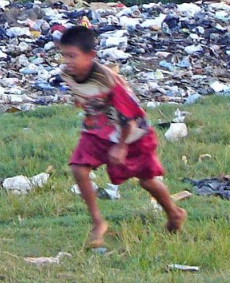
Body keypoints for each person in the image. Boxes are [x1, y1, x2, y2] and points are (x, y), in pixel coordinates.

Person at [58, 26, 186, 247]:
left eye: (72, 56)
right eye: (63, 55)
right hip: (97, 130)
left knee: (146, 180)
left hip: (132, 134)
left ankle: (174, 213)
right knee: (79, 168)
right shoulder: (67, 74)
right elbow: (84, 95)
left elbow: (131, 116)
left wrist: (121, 146)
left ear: (91, 56)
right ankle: (98, 222)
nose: (67, 61)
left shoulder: (109, 80)